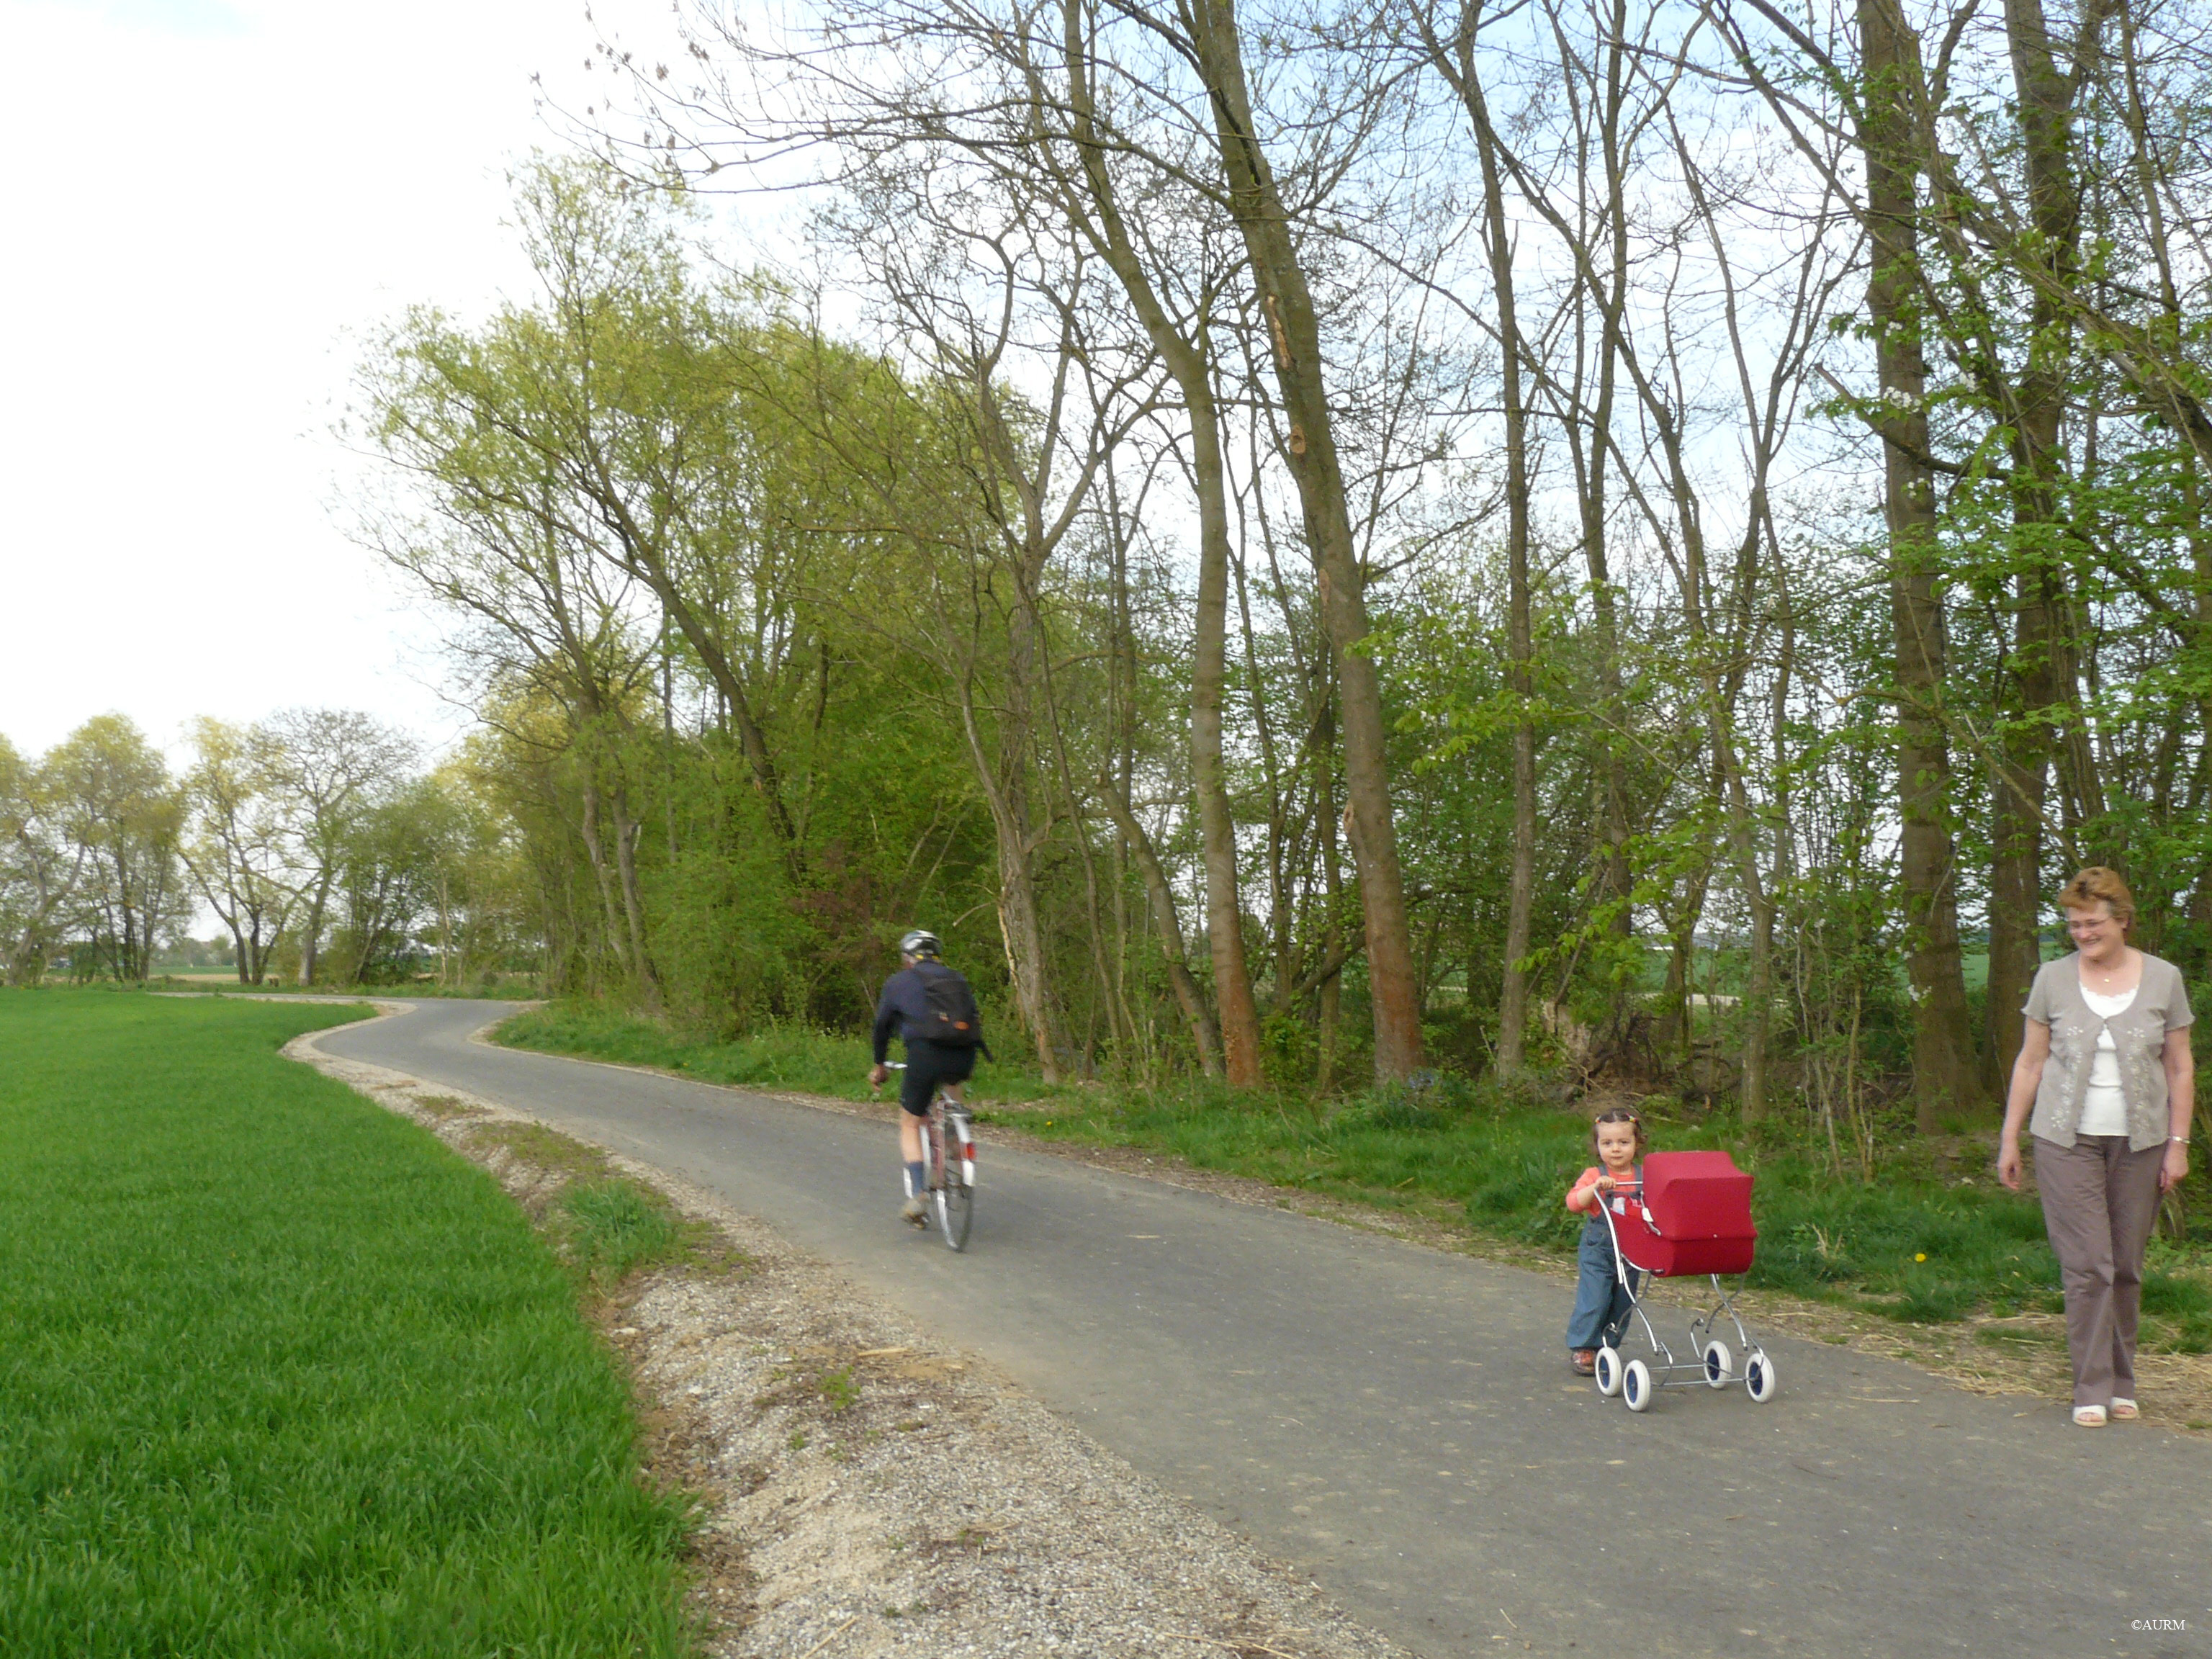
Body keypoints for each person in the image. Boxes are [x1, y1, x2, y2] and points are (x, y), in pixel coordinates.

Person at [1997, 867, 2196, 1427]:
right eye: (2075, 925)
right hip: (2066, 1140)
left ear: (2123, 921)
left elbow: (2180, 1068)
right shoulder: (2053, 980)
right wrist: (2010, 1137)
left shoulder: (2163, 979)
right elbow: (2031, 1062)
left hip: (2142, 1143)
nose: (2083, 934)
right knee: (2089, 1266)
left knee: (2127, 1266)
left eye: (2093, 923)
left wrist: (2178, 1145)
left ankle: (2122, 1379)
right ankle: (2091, 1385)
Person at [868, 929, 989, 1223]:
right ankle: (956, 1142)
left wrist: (880, 1065)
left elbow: (882, 1026)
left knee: (910, 1121)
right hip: (964, 1054)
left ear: (908, 957)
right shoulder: (956, 978)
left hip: (924, 1055)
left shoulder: (898, 983)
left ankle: (920, 1193)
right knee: (951, 1096)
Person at [1565, 1106, 1647, 1376]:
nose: (1616, 1149)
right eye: (1607, 1143)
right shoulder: (1593, 1174)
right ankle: (1584, 1346)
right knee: (1596, 1297)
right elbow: (1574, 1203)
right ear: (1597, 1145)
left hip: (1633, 1249)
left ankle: (1608, 1345)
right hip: (1598, 1248)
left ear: (1637, 1143)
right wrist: (1595, 1188)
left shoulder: (1644, 1176)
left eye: (1624, 1142)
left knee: (1624, 1299)